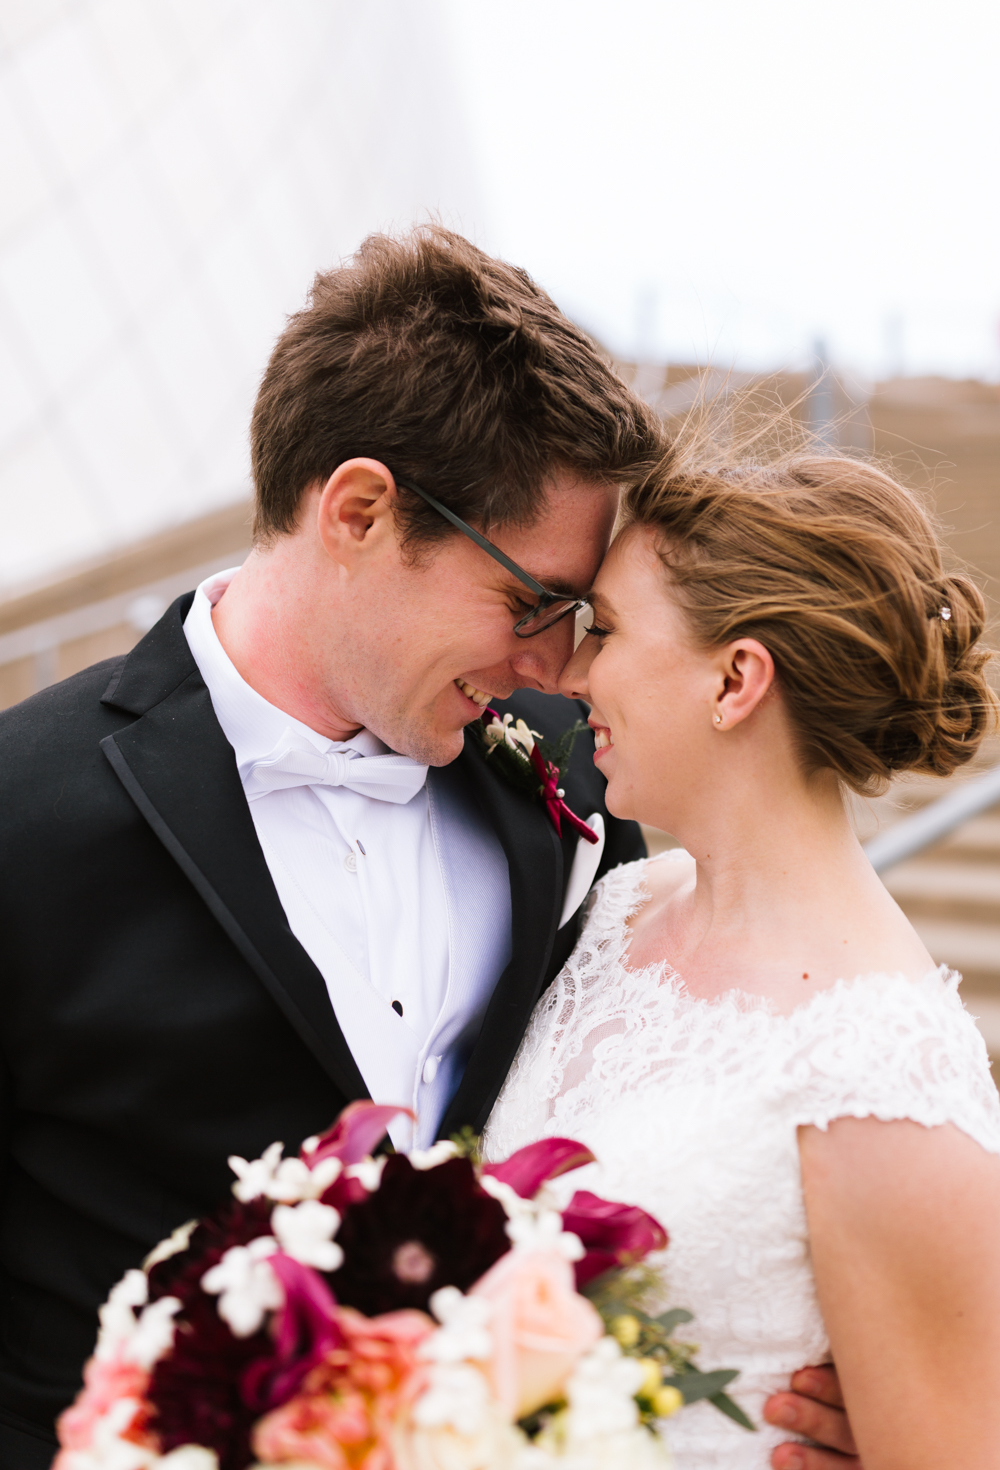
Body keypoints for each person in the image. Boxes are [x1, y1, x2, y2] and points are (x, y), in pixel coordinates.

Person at [0, 228, 853, 1469]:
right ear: (358, 511)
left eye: (578, 619)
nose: (555, 665)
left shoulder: (568, 774)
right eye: (530, 602)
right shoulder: (22, 814)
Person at [483, 417, 1000, 1470]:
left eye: (610, 630)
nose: (571, 671)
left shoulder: (881, 1073)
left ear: (734, 682)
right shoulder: (623, 909)